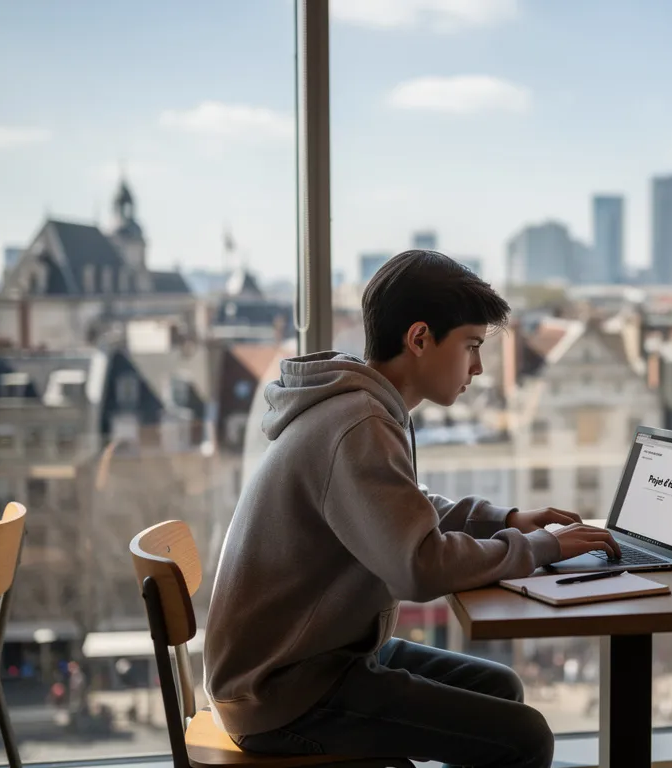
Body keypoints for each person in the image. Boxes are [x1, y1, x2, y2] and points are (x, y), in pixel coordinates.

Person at [204, 250, 619, 768]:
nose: (478, 367)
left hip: (309, 659)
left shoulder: (360, 405)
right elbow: (418, 567)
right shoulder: (359, 423)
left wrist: (506, 521)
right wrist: (538, 548)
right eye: (471, 346)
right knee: (526, 739)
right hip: (283, 691)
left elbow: (402, 510)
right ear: (420, 338)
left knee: (500, 686)